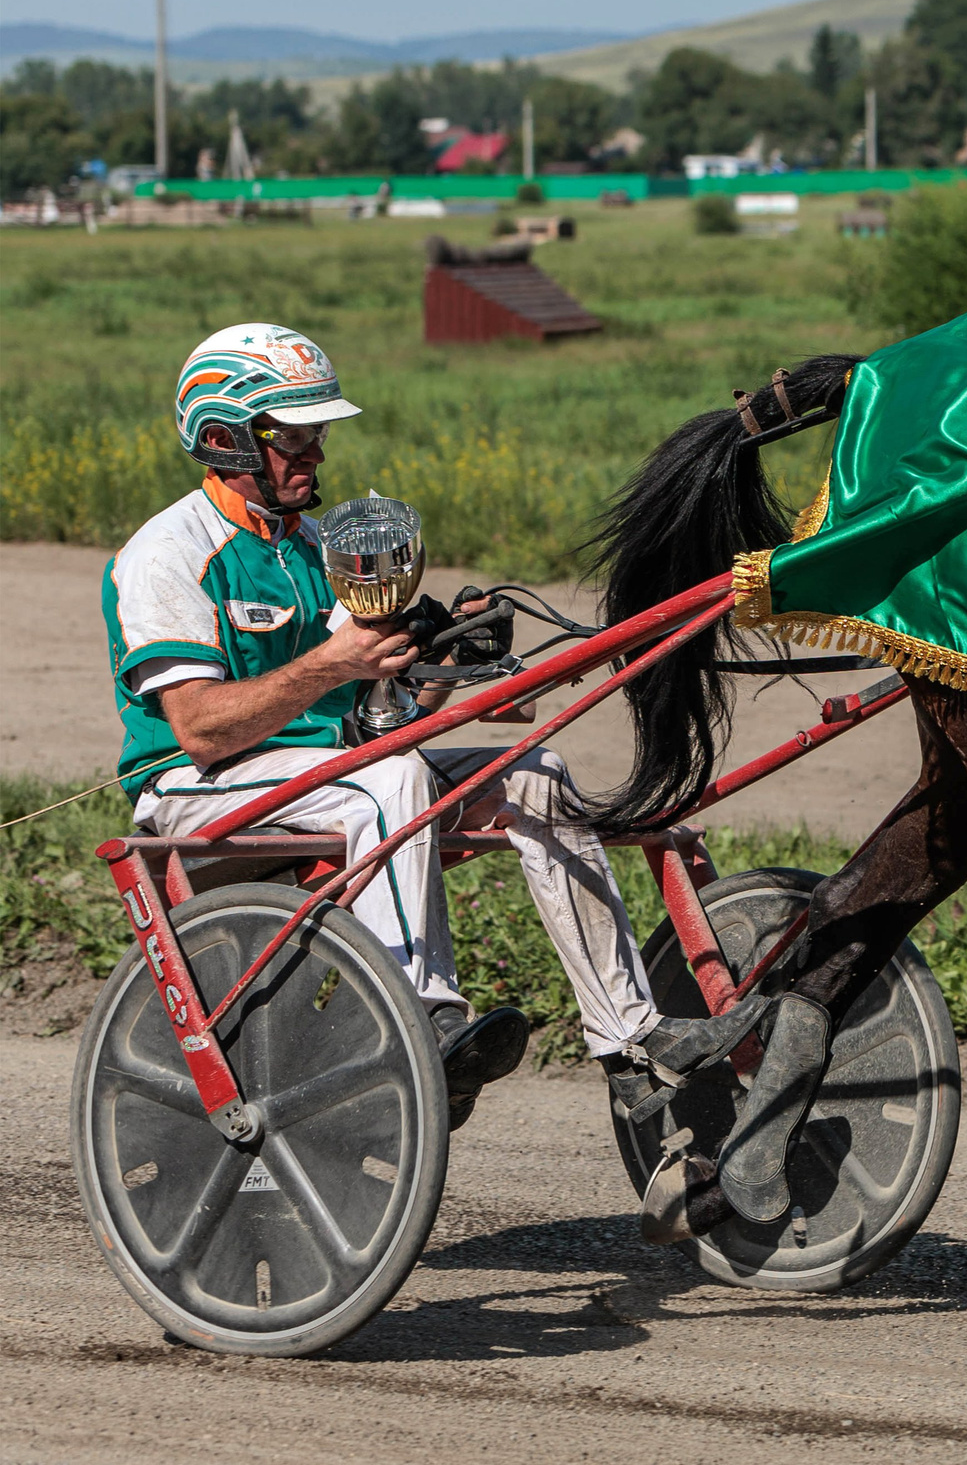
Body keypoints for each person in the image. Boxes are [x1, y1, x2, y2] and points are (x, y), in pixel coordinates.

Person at [103, 324, 755, 1125]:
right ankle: (424, 1020)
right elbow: (200, 729)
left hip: (327, 780)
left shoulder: (315, 545)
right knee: (391, 781)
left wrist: (452, 659)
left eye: (318, 432)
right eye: (290, 434)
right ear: (223, 438)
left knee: (533, 772)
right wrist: (336, 663)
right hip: (197, 796)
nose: (313, 452)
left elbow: (382, 719)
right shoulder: (166, 553)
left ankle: (630, 1042)